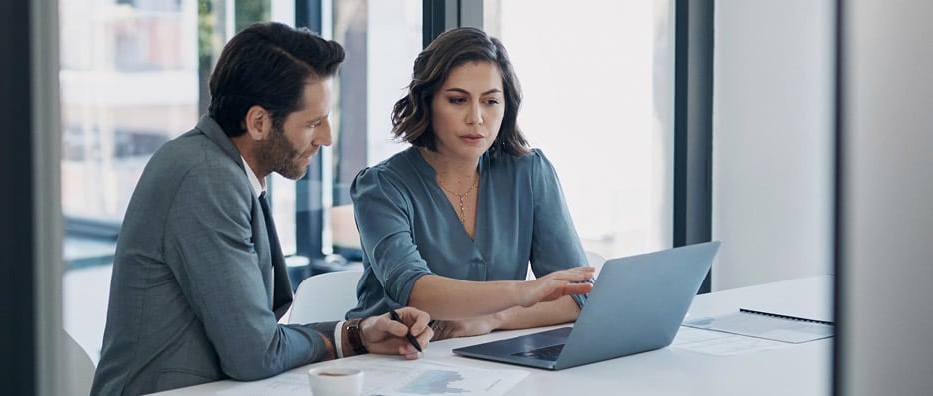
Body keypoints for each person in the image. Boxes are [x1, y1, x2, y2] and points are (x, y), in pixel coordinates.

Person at [90, 22, 432, 396]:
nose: (327, 138)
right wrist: (347, 341)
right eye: (313, 122)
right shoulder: (206, 178)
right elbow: (255, 353)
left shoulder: (221, 167)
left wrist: (356, 334)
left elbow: (258, 340)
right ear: (258, 122)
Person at [346, 27, 594, 340]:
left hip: (488, 362)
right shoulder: (381, 187)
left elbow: (578, 296)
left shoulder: (529, 172)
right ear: (427, 102)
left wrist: (495, 318)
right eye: (457, 100)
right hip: (392, 360)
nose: (476, 118)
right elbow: (415, 290)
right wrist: (525, 292)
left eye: (490, 101)